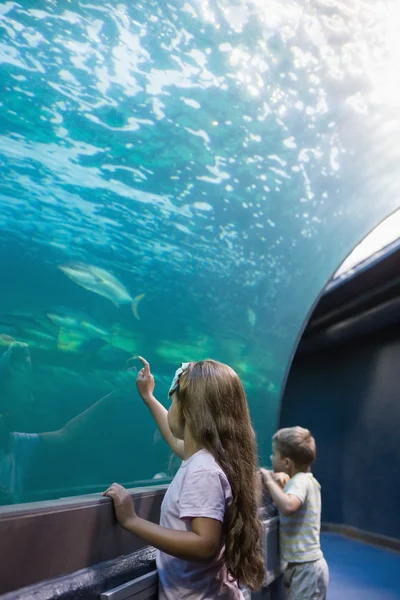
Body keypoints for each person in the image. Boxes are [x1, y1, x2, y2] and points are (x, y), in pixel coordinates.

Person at [104, 357, 265, 599]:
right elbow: (173, 438)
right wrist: (148, 397)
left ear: (188, 410)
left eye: (173, 402)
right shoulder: (209, 459)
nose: (170, 408)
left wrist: (132, 520)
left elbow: (204, 545)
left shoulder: (203, 470)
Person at [0, 340, 133, 504]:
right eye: (26, 392)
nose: (31, 400)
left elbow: (65, 434)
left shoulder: (14, 443)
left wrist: (115, 395)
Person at [260, 427, 329, 600]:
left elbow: (289, 506)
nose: (271, 457)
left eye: (274, 453)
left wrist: (268, 480)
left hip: (306, 567)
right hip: (306, 566)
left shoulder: (301, 482)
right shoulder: (305, 480)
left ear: (287, 463)